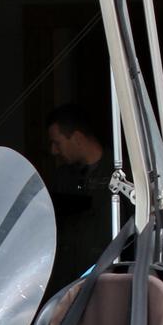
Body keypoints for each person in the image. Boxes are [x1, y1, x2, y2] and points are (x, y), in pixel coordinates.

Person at [44, 103, 116, 289]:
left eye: (57, 143)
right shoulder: (62, 177)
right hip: (67, 285)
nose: (54, 150)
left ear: (76, 138)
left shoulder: (120, 175)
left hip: (107, 281)